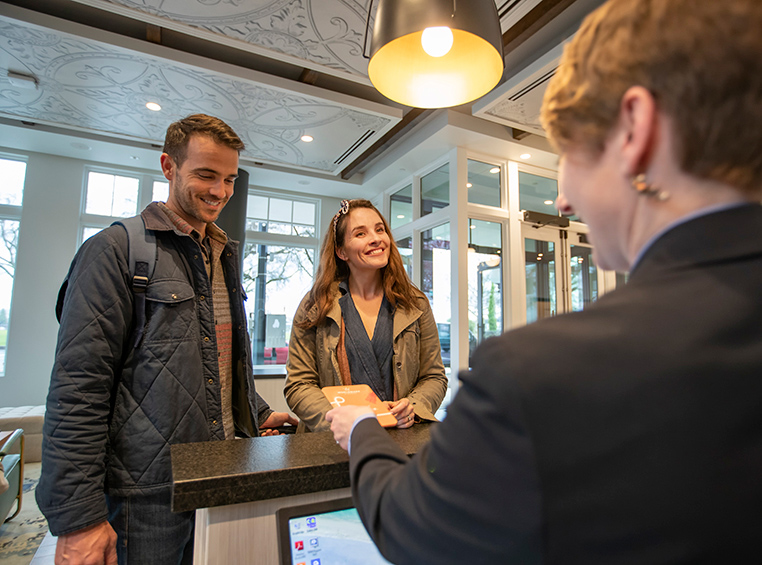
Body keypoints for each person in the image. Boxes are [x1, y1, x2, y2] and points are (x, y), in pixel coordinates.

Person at [325, 0, 762, 563]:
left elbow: (412, 531)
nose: (562, 199)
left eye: (569, 154)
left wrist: (363, 429)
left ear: (635, 129)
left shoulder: (533, 377)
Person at [37, 114, 296, 565]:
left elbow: (214, 357)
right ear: (168, 167)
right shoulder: (114, 251)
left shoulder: (222, 254)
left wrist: (255, 411)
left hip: (219, 478)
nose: (221, 191)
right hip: (145, 497)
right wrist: (78, 517)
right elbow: (78, 392)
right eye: (206, 175)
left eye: (230, 178)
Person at [284, 199, 448, 432]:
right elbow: (299, 385)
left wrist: (413, 407)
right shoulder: (315, 305)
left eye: (380, 229)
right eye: (360, 233)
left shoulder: (415, 304)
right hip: (335, 443)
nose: (376, 238)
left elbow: (434, 377)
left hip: (402, 440)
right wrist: (338, 420)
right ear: (341, 251)